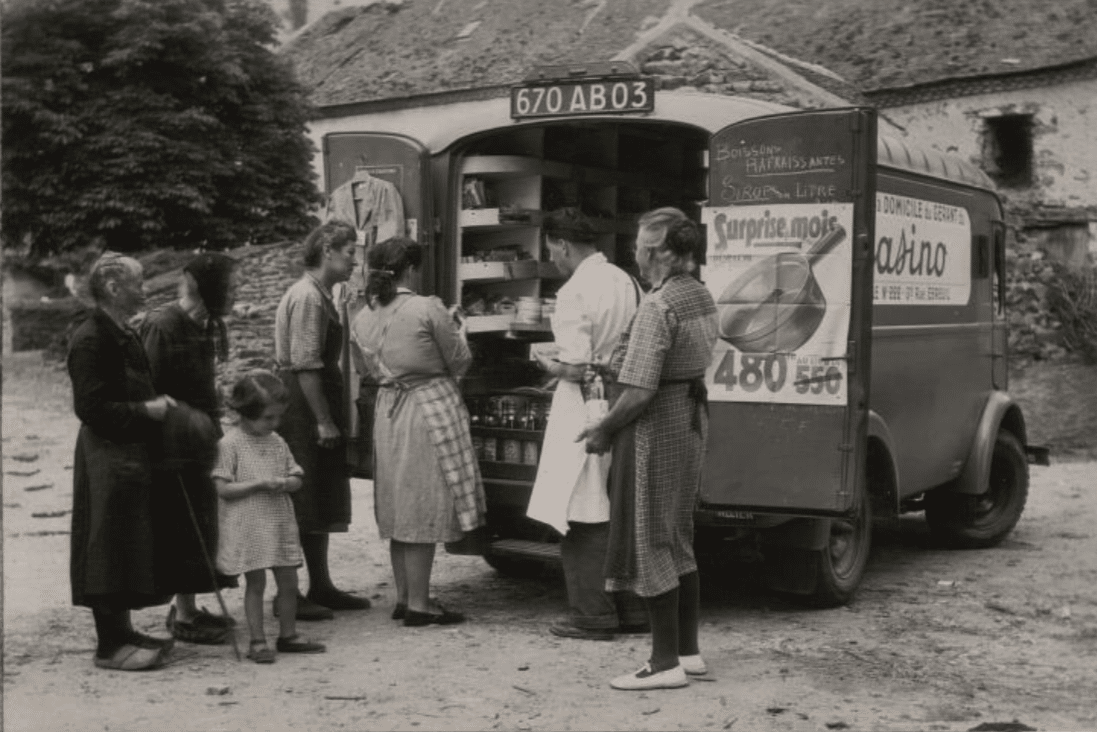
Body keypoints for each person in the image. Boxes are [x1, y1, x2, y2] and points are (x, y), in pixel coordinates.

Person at [578, 208, 718, 690]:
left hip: (656, 427)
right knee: (678, 537)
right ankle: (688, 651)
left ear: (658, 250)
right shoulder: (699, 294)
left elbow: (638, 390)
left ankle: (664, 664)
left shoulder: (659, 306)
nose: (633, 251)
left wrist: (603, 430)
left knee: (650, 539)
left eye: (639, 243)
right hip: (690, 419)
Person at [525, 208, 648, 641]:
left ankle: (591, 612)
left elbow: (576, 367)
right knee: (618, 503)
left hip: (585, 403)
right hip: (623, 398)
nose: (553, 259)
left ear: (561, 244)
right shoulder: (626, 280)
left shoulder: (575, 290)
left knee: (581, 506)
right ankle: (632, 609)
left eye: (551, 251)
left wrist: (547, 362)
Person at [350, 237, 485, 627]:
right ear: (410, 269)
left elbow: (366, 371)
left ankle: (406, 596)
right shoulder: (426, 308)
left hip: (389, 410)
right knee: (423, 501)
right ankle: (421, 605)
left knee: (398, 503)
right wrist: (460, 329)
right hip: (427, 407)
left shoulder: (363, 316)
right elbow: (459, 362)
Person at [67, 252, 179, 671]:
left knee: (128, 542)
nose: (145, 288)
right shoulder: (91, 336)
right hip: (107, 456)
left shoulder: (122, 331)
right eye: (138, 282)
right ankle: (109, 646)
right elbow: (91, 408)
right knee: (107, 546)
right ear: (114, 288)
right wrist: (146, 412)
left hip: (130, 452)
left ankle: (125, 631)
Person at [274, 221, 370, 620]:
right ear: (328, 250)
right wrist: (323, 420)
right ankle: (288, 595)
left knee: (318, 495)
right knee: (301, 494)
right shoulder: (307, 298)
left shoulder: (322, 295)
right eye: (350, 253)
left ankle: (321, 584)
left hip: (314, 401)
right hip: (302, 405)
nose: (354, 261)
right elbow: (305, 366)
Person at [141, 252, 238, 645]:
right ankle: (182, 615)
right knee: (182, 526)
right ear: (209, 289)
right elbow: (147, 388)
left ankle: (189, 606)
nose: (235, 293)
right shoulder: (163, 325)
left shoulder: (204, 326)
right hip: (173, 442)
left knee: (202, 521)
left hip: (201, 439)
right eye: (230, 286)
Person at [213, 371, 327, 663]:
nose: (275, 424)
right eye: (268, 418)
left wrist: (290, 482)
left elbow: (296, 473)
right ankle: (258, 640)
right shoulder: (230, 445)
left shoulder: (276, 441)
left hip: (278, 523)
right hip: (251, 527)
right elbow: (222, 488)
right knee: (256, 584)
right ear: (245, 414)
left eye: (278, 417)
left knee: (289, 582)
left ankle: (288, 635)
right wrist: (259, 484)